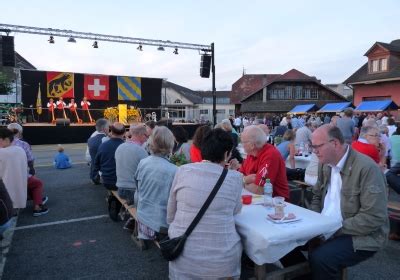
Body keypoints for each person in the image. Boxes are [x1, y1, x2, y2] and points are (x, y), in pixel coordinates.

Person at [309, 124, 388, 280]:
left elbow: (374, 217)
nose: (314, 151)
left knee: (322, 259)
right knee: (284, 242)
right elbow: (317, 195)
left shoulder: (367, 168)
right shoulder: (324, 164)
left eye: (318, 146)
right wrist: (313, 220)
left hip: (361, 233)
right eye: (313, 147)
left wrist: (333, 229)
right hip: (326, 226)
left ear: (335, 144)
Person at [167, 128, 242, 279]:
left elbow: (170, 215)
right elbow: (235, 211)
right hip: (222, 261)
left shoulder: (182, 171)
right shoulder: (235, 178)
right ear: (227, 154)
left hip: (182, 255)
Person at [134, 126, 177, 240]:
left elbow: (137, 189)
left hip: (142, 220)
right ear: (170, 143)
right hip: (160, 226)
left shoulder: (143, 163)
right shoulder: (173, 170)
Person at [234, 125, 290, 200]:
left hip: (275, 202)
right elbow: (239, 176)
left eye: (243, 142)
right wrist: (246, 180)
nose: (241, 144)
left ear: (252, 145)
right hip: (255, 199)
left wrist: (242, 183)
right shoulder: (251, 154)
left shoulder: (270, 155)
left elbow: (259, 190)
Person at [7, 123, 49, 215]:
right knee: (37, 183)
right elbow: (30, 160)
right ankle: (37, 207)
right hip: (19, 176)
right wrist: (32, 169)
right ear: (20, 133)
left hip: (4, 177)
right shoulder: (23, 144)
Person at [115, 124, 149, 205]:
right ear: (141, 135)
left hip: (120, 189)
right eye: (146, 136)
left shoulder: (120, 147)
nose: (147, 139)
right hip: (133, 191)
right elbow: (147, 173)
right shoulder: (140, 151)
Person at [0, 128, 27, 209]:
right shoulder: (20, 150)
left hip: (5, 195)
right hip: (19, 195)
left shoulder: (2, 152)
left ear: (6, 139)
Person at [93, 122, 125, 190]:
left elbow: (96, 164)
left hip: (107, 182)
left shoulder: (103, 145)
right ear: (124, 133)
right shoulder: (127, 147)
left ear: (111, 132)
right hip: (123, 183)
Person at [87, 119, 110, 184]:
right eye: (108, 127)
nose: (109, 128)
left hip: (93, 172)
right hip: (105, 173)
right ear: (104, 128)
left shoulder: (90, 139)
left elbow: (88, 157)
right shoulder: (107, 140)